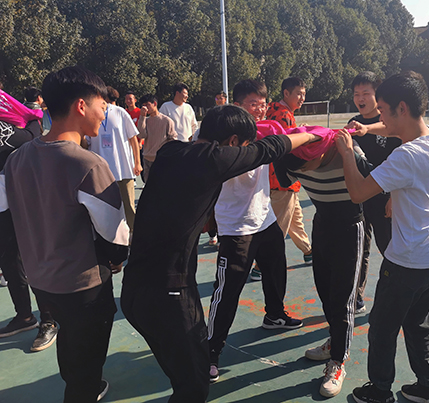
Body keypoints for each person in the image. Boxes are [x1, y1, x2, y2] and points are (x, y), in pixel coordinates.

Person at [121, 105, 319, 402]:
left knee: (181, 374)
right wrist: (312, 135)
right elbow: (272, 147)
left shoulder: (170, 151)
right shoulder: (214, 160)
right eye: (242, 146)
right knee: (194, 385)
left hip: (134, 289)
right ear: (233, 142)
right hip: (169, 295)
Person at [0, 66, 129, 402]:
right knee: (86, 357)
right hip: (83, 285)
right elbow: (115, 239)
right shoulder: (87, 164)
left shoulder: (16, 158)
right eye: (102, 105)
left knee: (70, 342)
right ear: (81, 106)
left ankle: (80, 383)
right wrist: (116, 260)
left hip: (41, 280)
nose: (105, 114)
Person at [340, 72, 429, 403]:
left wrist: (347, 152)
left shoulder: (406, 156)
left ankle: (379, 391)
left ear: (401, 108)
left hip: (407, 261)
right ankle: (427, 387)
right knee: (418, 324)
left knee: (382, 328)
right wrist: (365, 132)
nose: (379, 118)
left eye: (383, 110)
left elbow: (359, 192)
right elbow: (395, 139)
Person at [207, 80, 304, 383]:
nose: (260, 110)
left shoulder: (264, 130)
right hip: (235, 226)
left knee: (276, 270)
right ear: (237, 106)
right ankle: (210, 351)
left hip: (264, 217)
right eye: (253, 104)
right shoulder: (221, 137)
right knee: (227, 291)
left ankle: (275, 315)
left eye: (263, 104)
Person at [274, 129, 371, 398]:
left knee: (343, 298)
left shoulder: (348, 151)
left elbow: (379, 181)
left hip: (350, 228)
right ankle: (334, 341)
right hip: (322, 225)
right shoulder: (292, 161)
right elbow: (282, 170)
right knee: (325, 291)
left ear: (317, 152)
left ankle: (338, 362)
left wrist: (349, 153)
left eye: (307, 165)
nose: (303, 171)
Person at [0, 89, 57, 352]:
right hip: (3, 209)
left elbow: (31, 134)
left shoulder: (10, 124)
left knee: (32, 261)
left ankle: (49, 319)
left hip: (21, 203)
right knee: (10, 263)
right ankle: (24, 316)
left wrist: (32, 117)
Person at [347, 71, 402, 314]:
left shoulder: (389, 121)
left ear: (377, 95)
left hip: (384, 197)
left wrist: (393, 196)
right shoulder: (353, 122)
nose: (360, 98)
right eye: (356, 94)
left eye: (366, 93)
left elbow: (400, 163)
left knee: (389, 248)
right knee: (358, 249)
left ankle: (397, 297)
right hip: (360, 197)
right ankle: (357, 297)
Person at [265, 77, 312, 280]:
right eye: (298, 94)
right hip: (282, 179)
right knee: (279, 226)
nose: (302, 98)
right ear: (286, 93)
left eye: (304, 94)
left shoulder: (276, 111)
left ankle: (308, 251)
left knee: (295, 219)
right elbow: (288, 146)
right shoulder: (283, 115)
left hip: (282, 179)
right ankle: (261, 266)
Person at [86, 86, 141, 232]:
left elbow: (133, 138)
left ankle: (134, 238)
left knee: (129, 207)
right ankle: (109, 240)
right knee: (104, 209)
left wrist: (137, 162)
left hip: (123, 169)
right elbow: (87, 142)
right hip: (101, 172)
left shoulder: (120, 112)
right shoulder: (91, 115)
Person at [136, 94, 177, 182]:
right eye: (143, 105)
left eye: (147, 105)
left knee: (162, 184)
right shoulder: (145, 120)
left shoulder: (166, 121)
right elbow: (141, 135)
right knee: (148, 184)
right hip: (147, 158)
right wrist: (142, 117)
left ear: (154, 103)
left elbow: (173, 139)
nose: (145, 108)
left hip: (161, 159)